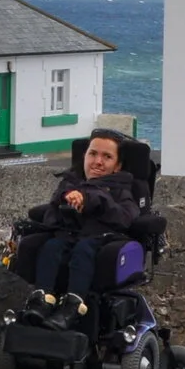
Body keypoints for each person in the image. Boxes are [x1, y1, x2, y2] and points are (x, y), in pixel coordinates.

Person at [25, 132, 143, 323]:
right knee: (51, 246)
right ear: (84, 157)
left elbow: (126, 217)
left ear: (117, 166)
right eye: (93, 154)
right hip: (68, 235)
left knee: (83, 250)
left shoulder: (121, 189)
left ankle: (73, 306)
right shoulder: (70, 183)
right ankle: (42, 299)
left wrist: (90, 200)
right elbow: (54, 203)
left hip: (99, 239)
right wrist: (67, 198)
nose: (98, 161)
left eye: (107, 157)